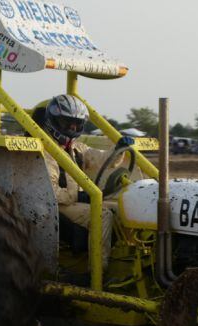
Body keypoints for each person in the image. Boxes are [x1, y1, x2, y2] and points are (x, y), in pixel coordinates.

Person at [33, 94, 134, 268]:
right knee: (102, 215)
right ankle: (97, 272)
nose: (72, 128)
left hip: (74, 200)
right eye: (67, 123)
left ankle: (126, 262)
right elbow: (49, 193)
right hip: (57, 205)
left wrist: (118, 149)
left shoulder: (76, 148)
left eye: (76, 124)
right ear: (54, 121)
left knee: (123, 208)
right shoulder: (44, 151)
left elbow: (101, 159)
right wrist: (78, 196)